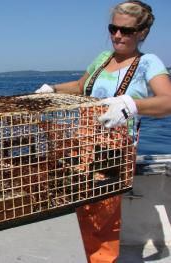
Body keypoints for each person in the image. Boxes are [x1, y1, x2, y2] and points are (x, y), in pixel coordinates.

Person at [35, 1, 171, 262]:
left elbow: (167, 101)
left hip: (114, 153)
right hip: (83, 147)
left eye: (127, 31)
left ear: (142, 32)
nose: (118, 35)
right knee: (84, 211)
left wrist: (132, 105)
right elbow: (79, 86)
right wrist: (52, 89)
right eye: (113, 28)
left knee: (104, 217)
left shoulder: (148, 63)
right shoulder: (102, 59)